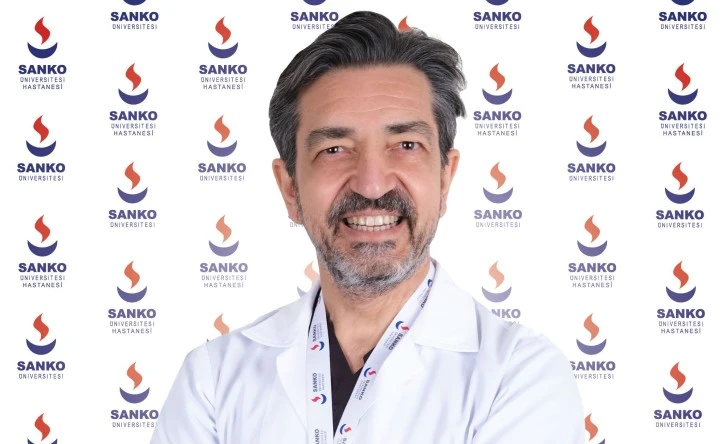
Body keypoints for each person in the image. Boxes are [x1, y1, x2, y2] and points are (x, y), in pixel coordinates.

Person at [151, 11, 584, 444]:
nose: (372, 184)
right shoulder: (212, 381)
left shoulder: (520, 375)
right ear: (290, 189)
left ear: (444, 178)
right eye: (335, 149)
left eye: (406, 145)